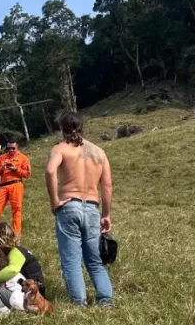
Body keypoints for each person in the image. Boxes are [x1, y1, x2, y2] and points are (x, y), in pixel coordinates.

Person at [45, 112, 114, 307]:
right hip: (92, 207)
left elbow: (50, 171)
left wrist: (54, 201)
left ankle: (79, 302)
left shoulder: (60, 149)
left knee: (72, 259)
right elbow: (107, 186)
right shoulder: (99, 152)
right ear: (82, 126)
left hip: (69, 205)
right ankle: (105, 299)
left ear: (62, 128)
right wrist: (106, 214)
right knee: (94, 259)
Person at [0, 221, 45, 297]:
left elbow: (12, 270)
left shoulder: (16, 252)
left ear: (2, 240)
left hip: (33, 292)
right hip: (30, 288)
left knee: (7, 273)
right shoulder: (12, 252)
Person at [0, 140, 30, 234]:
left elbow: (27, 174)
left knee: (16, 210)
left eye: (13, 148)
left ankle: (16, 233)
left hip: (16, 184)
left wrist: (16, 169)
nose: (11, 150)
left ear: (17, 147)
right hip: (3, 186)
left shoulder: (23, 158)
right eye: (8, 148)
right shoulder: (1, 158)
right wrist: (1, 169)